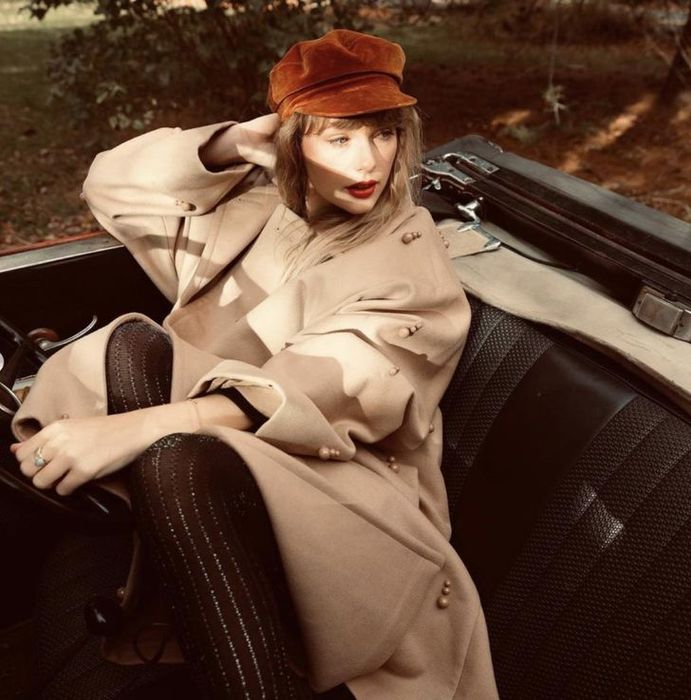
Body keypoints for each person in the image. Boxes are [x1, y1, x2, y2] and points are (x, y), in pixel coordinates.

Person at [8, 29, 498, 699]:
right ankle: (168, 584)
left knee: (177, 460)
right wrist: (233, 142)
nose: (368, 161)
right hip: (227, 460)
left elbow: (333, 384)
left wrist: (133, 428)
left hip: (342, 484)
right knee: (132, 346)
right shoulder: (261, 209)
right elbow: (110, 186)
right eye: (338, 138)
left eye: (382, 134)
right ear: (291, 143)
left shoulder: (410, 262)